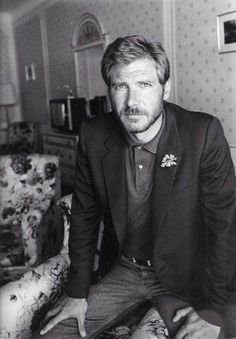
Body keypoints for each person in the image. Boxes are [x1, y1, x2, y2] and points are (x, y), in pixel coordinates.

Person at [37, 35, 236, 339]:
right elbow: (84, 216)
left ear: (164, 88)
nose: (131, 102)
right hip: (123, 270)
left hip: (184, 278)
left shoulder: (203, 133)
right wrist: (77, 293)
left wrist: (215, 309)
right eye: (120, 86)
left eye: (144, 84)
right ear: (109, 91)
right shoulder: (92, 134)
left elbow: (225, 226)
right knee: (50, 334)